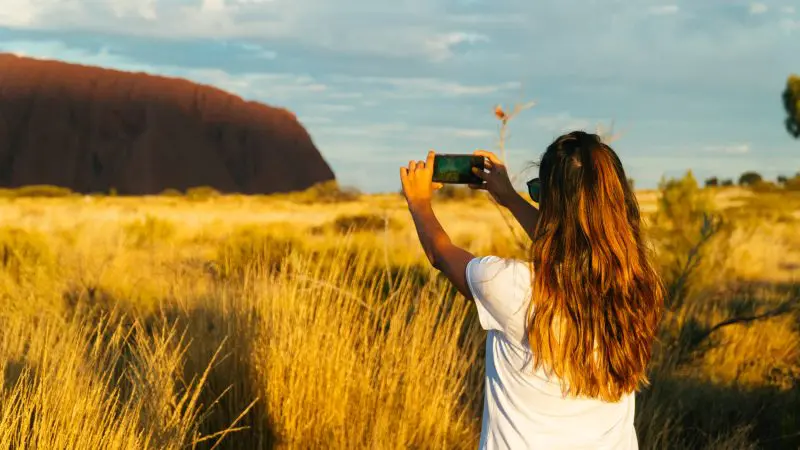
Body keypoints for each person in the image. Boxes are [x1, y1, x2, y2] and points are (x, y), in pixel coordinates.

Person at [399, 131, 664, 449]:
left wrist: (419, 203)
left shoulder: (514, 287)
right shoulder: (637, 287)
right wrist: (509, 197)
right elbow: (576, 243)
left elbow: (440, 254)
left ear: (551, 205)